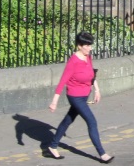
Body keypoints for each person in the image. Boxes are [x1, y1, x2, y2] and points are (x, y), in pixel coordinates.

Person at [47, 31, 112, 163]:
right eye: (86, 45)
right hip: (75, 96)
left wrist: (97, 90)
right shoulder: (73, 61)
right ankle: (102, 154)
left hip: (84, 95)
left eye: (90, 45)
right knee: (92, 121)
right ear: (79, 46)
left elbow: (91, 74)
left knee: (68, 120)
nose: (90, 48)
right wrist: (54, 101)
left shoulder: (87, 57)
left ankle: (52, 146)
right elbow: (62, 81)